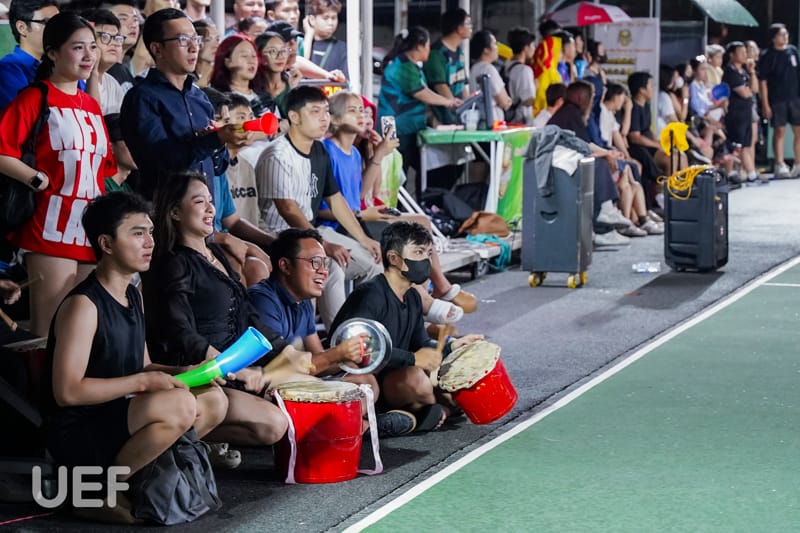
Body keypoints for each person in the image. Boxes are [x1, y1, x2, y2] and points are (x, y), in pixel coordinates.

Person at [43, 192, 228, 520]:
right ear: (106, 243)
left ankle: (135, 478)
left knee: (213, 399)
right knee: (180, 405)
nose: (150, 242)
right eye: (137, 233)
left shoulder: (132, 294)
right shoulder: (83, 305)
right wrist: (145, 382)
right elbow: (67, 392)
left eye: (151, 232)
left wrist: (184, 370)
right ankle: (96, 491)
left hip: (122, 413)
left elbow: (142, 365)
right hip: (81, 430)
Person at [143, 170, 313, 451]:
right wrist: (229, 367)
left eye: (211, 201)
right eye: (199, 202)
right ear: (174, 212)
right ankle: (179, 446)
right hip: (204, 372)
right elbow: (179, 330)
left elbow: (248, 315)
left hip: (233, 368)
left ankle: (200, 444)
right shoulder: (173, 263)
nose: (210, 209)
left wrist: (285, 351)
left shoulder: (216, 255)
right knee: (273, 424)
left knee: (304, 392)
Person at [0, 12, 117, 337]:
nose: (89, 55)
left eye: (92, 46)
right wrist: (34, 178)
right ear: (52, 52)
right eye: (78, 47)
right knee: (49, 332)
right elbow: (3, 151)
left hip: (90, 230)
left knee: (85, 333)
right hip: (49, 228)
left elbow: (104, 168)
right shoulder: (34, 97)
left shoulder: (90, 105)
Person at [322, 91, 476, 319]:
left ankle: (427, 295)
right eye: (353, 111)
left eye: (364, 111)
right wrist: (362, 214)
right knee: (409, 237)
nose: (362, 116)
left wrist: (378, 155)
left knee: (421, 223)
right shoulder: (327, 151)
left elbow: (364, 193)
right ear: (334, 119)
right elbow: (327, 208)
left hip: (360, 219)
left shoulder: (354, 152)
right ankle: (425, 300)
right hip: (344, 226)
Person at [330, 221, 485, 433]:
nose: (426, 260)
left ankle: (425, 412)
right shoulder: (370, 294)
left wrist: (452, 347)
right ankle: (390, 416)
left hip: (394, 373)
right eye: (419, 252)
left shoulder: (412, 296)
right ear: (394, 258)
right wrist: (412, 359)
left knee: (459, 378)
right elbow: (361, 351)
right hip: (367, 381)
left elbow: (420, 343)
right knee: (417, 381)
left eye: (429, 253)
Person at [256, 86, 382, 327]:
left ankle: (369, 329)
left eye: (326, 111)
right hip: (278, 235)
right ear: (294, 117)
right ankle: (341, 334)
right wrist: (321, 244)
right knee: (329, 263)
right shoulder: (278, 154)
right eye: (315, 111)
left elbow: (335, 199)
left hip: (310, 233)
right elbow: (288, 209)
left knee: (373, 261)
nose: (324, 118)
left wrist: (364, 239)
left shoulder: (318, 149)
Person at [120, 8, 248, 200]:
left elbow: (218, 167)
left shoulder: (200, 98)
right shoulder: (142, 98)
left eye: (195, 39)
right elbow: (163, 163)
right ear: (157, 49)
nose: (193, 47)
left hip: (205, 210)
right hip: (166, 212)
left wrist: (222, 140)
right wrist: (215, 139)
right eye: (182, 40)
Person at [378, 27, 461, 185]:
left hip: (410, 129)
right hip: (397, 130)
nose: (429, 50)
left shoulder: (414, 67)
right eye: (428, 46)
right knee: (397, 177)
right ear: (419, 46)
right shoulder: (403, 66)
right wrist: (448, 101)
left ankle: (426, 198)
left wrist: (436, 124)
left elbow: (423, 100)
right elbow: (422, 94)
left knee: (427, 170)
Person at [81, 8, 137, 192]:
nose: (113, 43)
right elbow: (92, 124)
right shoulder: (75, 80)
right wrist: (93, 71)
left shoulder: (112, 83)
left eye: (117, 38)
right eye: (105, 37)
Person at [0, 0, 59, 111]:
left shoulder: (63, 66)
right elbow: (27, 113)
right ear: (22, 28)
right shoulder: (7, 70)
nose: (58, 30)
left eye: (59, 23)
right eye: (47, 23)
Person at [758, 23, 800, 178]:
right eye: (781, 34)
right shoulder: (768, 55)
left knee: (798, 131)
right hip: (777, 99)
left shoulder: (793, 51)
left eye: (786, 34)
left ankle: (798, 163)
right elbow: (763, 81)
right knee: (779, 131)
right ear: (773, 38)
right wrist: (765, 104)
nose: (785, 37)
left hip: (795, 98)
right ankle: (779, 163)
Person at [422, 7, 472, 125]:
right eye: (468, 23)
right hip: (442, 118)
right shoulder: (436, 53)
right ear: (459, 28)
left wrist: (468, 107)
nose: (471, 27)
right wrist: (455, 108)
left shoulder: (459, 52)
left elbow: (463, 84)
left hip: (460, 116)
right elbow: (440, 86)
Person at [723, 41, 762, 184]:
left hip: (746, 113)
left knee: (746, 145)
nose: (745, 55)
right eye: (741, 52)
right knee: (734, 146)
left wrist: (752, 72)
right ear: (732, 55)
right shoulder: (730, 72)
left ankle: (751, 175)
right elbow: (745, 93)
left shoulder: (744, 72)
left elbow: (755, 89)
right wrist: (749, 89)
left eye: (746, 52)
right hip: (735, 115)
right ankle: (728, 174)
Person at [209, 34, 274, 118]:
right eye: (244, 56)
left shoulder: (265, 99)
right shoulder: (218, 99)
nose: (251, 61)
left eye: (254, 56)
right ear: (227, 61)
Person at [468, 29, 511, 125]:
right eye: (494, 44)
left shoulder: (474, 68)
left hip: (478, 119)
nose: (497, 48)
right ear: (486, 50)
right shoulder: (489, 69)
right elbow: (504, 102)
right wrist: (508, 101)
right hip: (493, 120)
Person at [105, 0, 145, 93]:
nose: (133, 25)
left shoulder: (125, 70)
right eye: (123, 19)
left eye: (135, 20)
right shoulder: (102, 69)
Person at [301, 0, 348, 78]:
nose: (330, 23)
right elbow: (299, 67)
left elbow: (345, 79)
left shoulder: (341, 47)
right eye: (325, 18)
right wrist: (309, 34)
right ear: (312, 20)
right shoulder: (301, 42)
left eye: (333, 18)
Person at [254, 30, 292, 117]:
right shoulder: (252, 87)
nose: (280, 56)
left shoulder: (291, 85)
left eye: (283, 51)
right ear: (259, 55)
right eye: (272, 51)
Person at [504, 27, 536, 125]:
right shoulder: (524, 70)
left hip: (509, 118)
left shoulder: (506, 66)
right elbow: (528, 100)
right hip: (521, 120)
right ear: (525, 48)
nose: (534, 49)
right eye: (532, 45)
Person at [193, 19, 220, 87]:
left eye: (217, 39)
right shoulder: (184, 74)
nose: (216, 45)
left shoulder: (222, 75)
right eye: (208, 40)